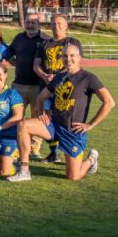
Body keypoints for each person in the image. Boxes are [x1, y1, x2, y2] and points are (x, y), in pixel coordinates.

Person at [9, 43, 115, 182]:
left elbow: (109, 102)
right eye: (65, 56)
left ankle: (91, 159)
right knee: (23, 125)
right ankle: (24, 170)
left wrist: (90, 124)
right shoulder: (60, 77)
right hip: (53, 126)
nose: (68, 59)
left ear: (79, 58)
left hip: (73, 130)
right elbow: (41, 97)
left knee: (73, 176)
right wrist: (42, 112)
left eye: (72, 55)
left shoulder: (89, 78)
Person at [33, 14, 83, 163]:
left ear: (66, 25)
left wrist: (61, 76)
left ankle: (73, 151)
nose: (57, 26)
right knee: (46, 119)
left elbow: (78, 64)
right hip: (47, 87)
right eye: (54, 23)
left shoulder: (72, 42)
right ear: (50, 26)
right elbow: (36, 65)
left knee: (65, 119)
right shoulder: (44, 43)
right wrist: (45, 76)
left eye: (60, 23)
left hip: (65, 88)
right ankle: (54, 152)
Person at [7, 13, 48, 159]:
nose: (30, 25)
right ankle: (16, 146)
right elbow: (8, 53)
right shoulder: (19, 38)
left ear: (39, 24)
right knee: (15, 116)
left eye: (33, 22)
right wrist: (15, 63)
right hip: (18, 85)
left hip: (38, 86)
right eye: (27, 22)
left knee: (37, 118)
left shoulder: (45, 40)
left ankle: (35, 148)